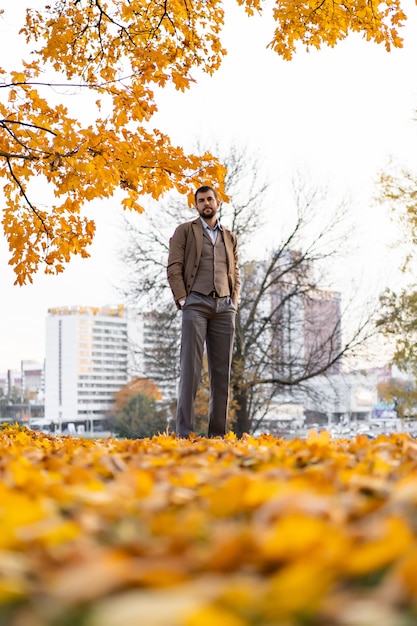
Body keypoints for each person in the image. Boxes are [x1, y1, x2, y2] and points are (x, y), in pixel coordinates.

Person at [167, 185, 240, 438]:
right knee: (191, 371)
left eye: (210, 199)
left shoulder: (230, 237)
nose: (206, 203)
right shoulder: (185, 231)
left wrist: (234, 302)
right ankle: (184, 434)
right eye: (201, 200)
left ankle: (217, 435)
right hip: (195, 305)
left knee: (222, 372)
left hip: (224, 307)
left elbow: (236, 273)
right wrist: (183, 299)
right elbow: (174, 267)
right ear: (196, 205)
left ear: (218, 203)